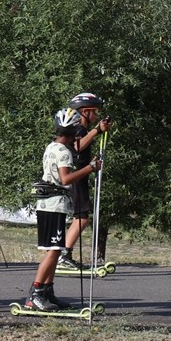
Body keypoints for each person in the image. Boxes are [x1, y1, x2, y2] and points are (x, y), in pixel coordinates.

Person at [28, 108, 102, 310]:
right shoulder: (64, 152)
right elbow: (65, 179)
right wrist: (90, 168)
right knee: (53, 251)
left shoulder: (51, 146)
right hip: (54, 206)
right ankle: (35, 293)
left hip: (48, 205)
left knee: (56, 248)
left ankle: (47, 291)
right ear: (74, 130)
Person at [58, 92, 114, 272]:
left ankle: (64, 254)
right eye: (94, 112)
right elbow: (76, 147)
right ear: (85, 112)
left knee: (80, 217)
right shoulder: (78, 130)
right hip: (75, 176)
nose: (96, 116)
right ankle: (64, 255)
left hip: (81, 174)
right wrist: (96, 130)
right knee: (82, 218)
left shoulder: (80, 130)